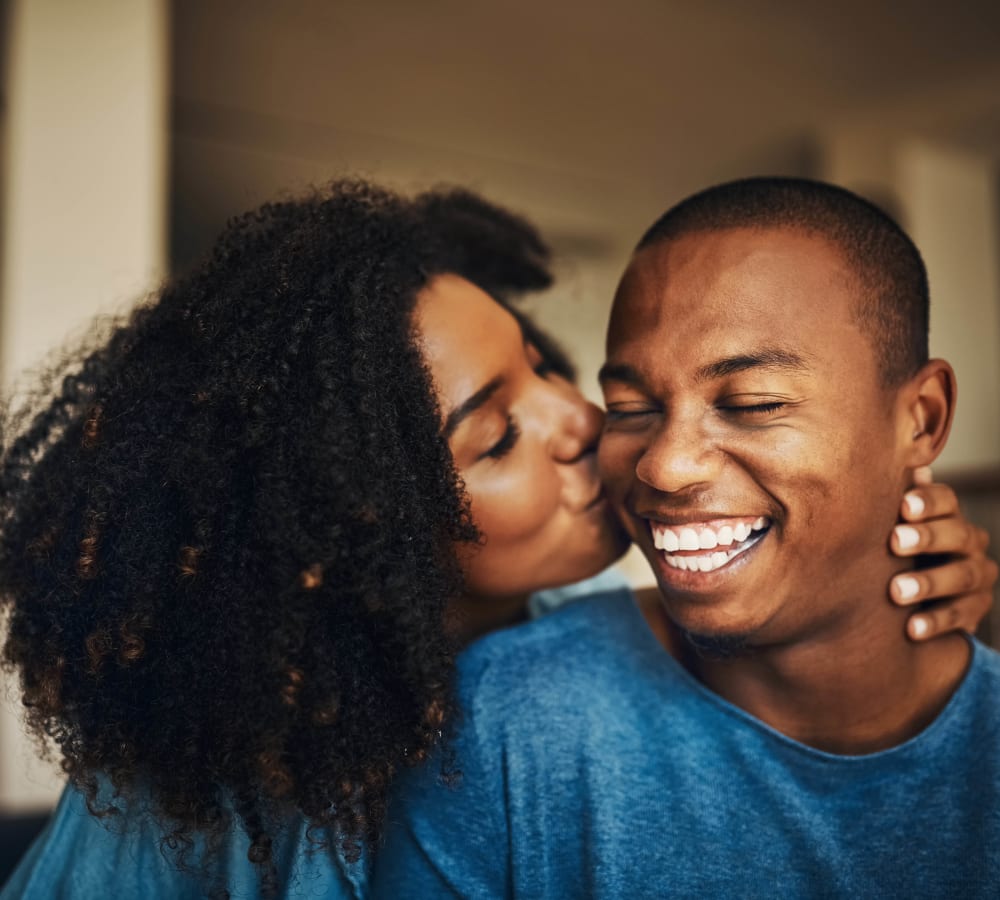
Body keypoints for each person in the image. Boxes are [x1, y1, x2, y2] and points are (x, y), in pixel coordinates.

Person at [0, 179, 993, 900]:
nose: (585, 425)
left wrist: (891, 551)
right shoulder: (205, 785)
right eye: (498, 435)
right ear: (355, 528)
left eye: (544, 366)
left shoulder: (592, 625)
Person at [371, 177, 1000, 898]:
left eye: (752, 403)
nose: (661, 465)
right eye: (630, 406)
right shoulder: (499, 722)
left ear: (920, 419)